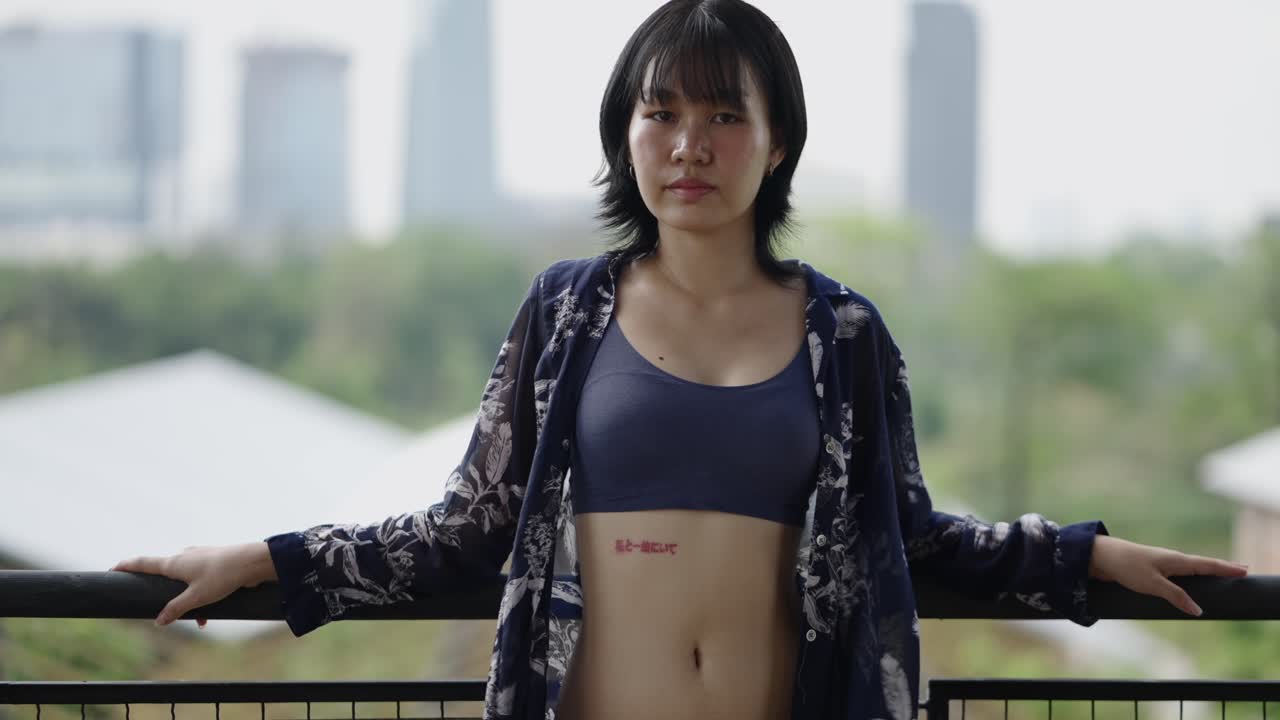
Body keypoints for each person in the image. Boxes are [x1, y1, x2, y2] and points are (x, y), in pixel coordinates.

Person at [110, 1, 1249, 719]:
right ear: (625, 136)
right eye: (659, 114)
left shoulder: (841, 334)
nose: (687, 145)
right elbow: (468, 525)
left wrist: (1083, 559)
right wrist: (264, 559)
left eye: (722, 117)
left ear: (778, 141)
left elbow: (909, 538)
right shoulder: (565, 312)